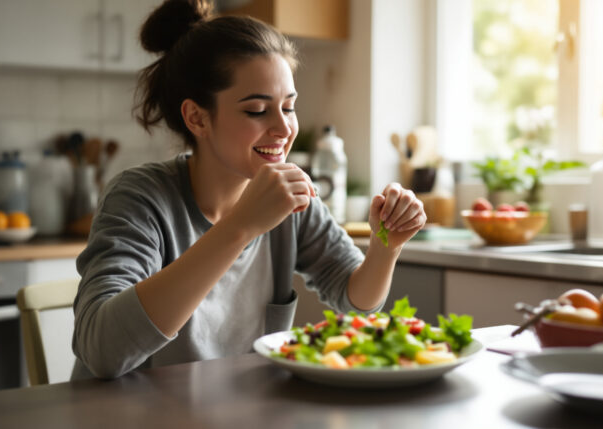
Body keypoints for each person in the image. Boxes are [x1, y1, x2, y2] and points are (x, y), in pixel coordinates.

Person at [71, 0, 426, 380]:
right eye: (257, 110)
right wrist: (241, 227)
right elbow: (103, 350)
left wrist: (385, 247)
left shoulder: (291, 199)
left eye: (288, 108)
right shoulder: (140, 198)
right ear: (197, 118)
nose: (283, 128)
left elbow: (356, 304)